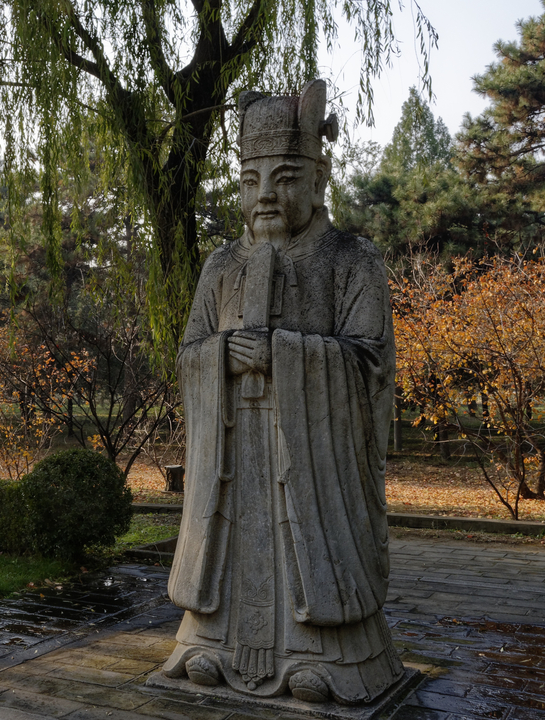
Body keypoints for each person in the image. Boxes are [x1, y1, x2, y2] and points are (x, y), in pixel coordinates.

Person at [162, 79, 402, 705]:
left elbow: (370, 361)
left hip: (313, 460)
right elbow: (188, 354)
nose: (265, 193)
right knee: (231, 538)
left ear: (319, 180)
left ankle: (327, 652)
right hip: (236, 448)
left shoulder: (352, 260)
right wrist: (218, 358)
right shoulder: (220, 266)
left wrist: (288, 357)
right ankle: (209, 642)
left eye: (286, 176)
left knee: (306, 546)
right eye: (250, 179)